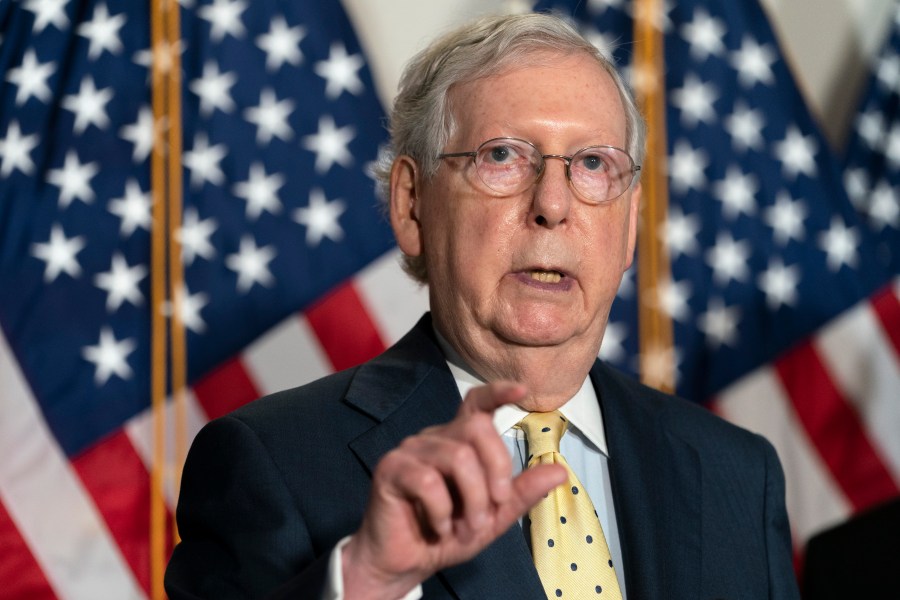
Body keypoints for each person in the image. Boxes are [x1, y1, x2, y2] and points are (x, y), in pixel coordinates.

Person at [165, 12, 800, 599]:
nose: (553, 205)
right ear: (412, 205)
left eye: (593, 165)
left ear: (629, 226)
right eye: (502, 156)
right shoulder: (269, 462)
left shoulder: (738, 476)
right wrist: (365, 580)